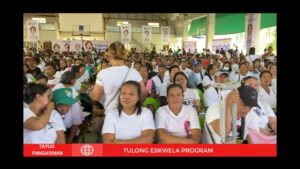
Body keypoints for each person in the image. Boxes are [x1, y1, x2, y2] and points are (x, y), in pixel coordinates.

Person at [90, 41, 147, 114]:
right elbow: (144, 94)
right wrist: (134, 104)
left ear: (109, 56)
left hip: (111, 113)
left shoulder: (103, 73)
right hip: (131, 112)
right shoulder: (134, 73)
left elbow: (96, 97)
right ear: (124, 56)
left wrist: (91, 93)